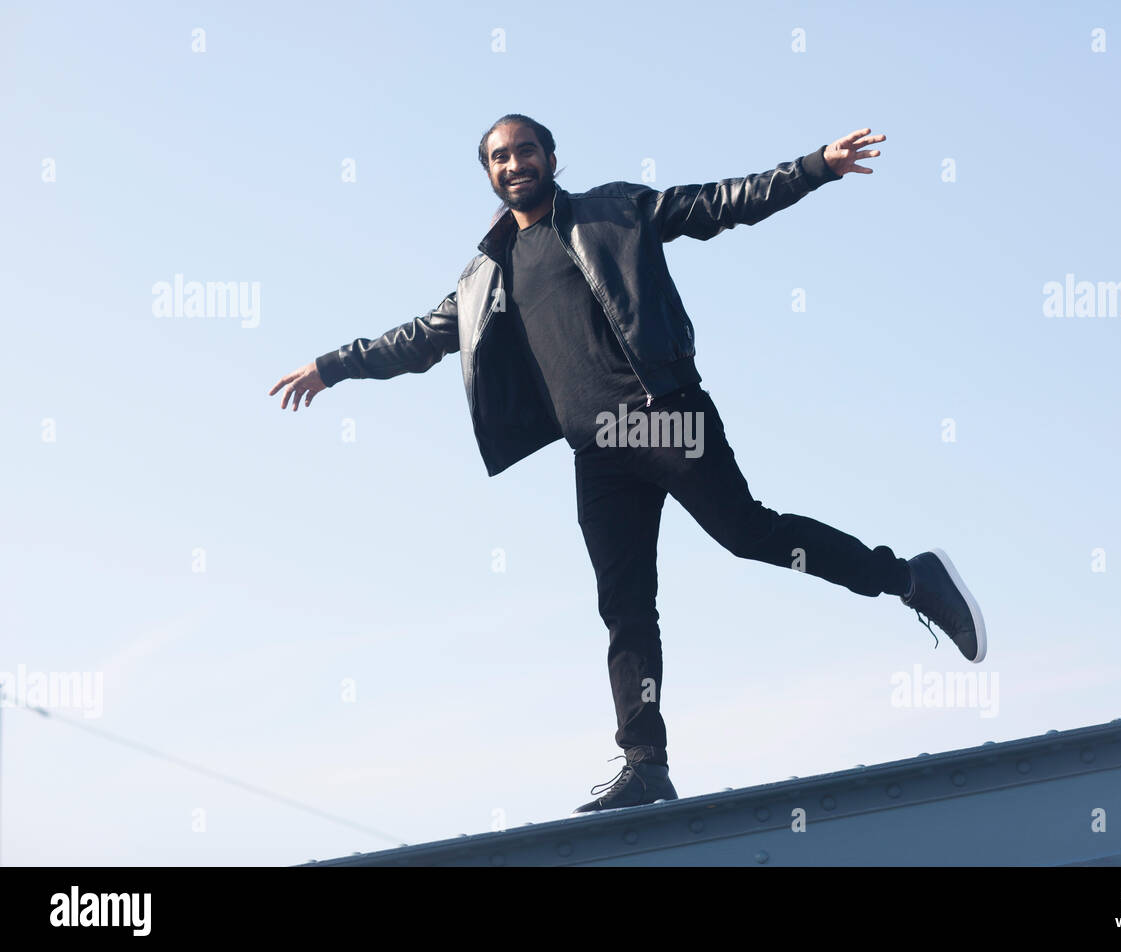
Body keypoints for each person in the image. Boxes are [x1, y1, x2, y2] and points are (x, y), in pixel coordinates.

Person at [269, 114, 987, 815]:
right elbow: (419, 340)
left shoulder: (614, 212)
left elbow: (716, 204)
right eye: (499, 158)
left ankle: (909, 578)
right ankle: (645, 766)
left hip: (662, 411)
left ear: (552, 158)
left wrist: (813, 168)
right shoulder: (483, 279)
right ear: (488, 174)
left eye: (526, 150)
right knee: (624, 607)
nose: (514, 164)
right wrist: (334, 367)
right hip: (595, 452)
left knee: (748, 534)